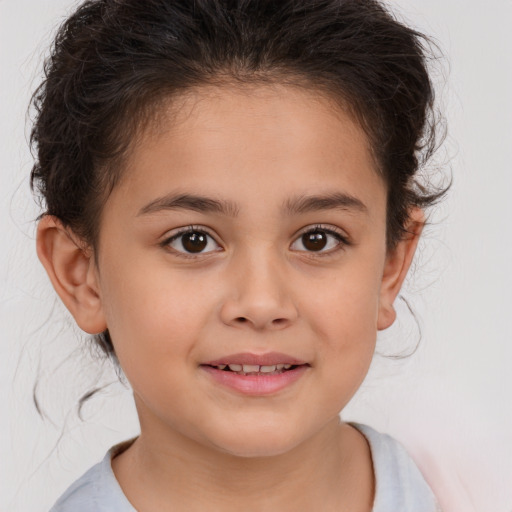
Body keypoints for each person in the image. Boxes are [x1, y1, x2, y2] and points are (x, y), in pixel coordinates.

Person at [30, 0, 446, 510]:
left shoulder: (472, 486)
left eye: (317, 239)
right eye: (193, 240)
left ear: (390, 265)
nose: (262, 302)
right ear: (82, 275)